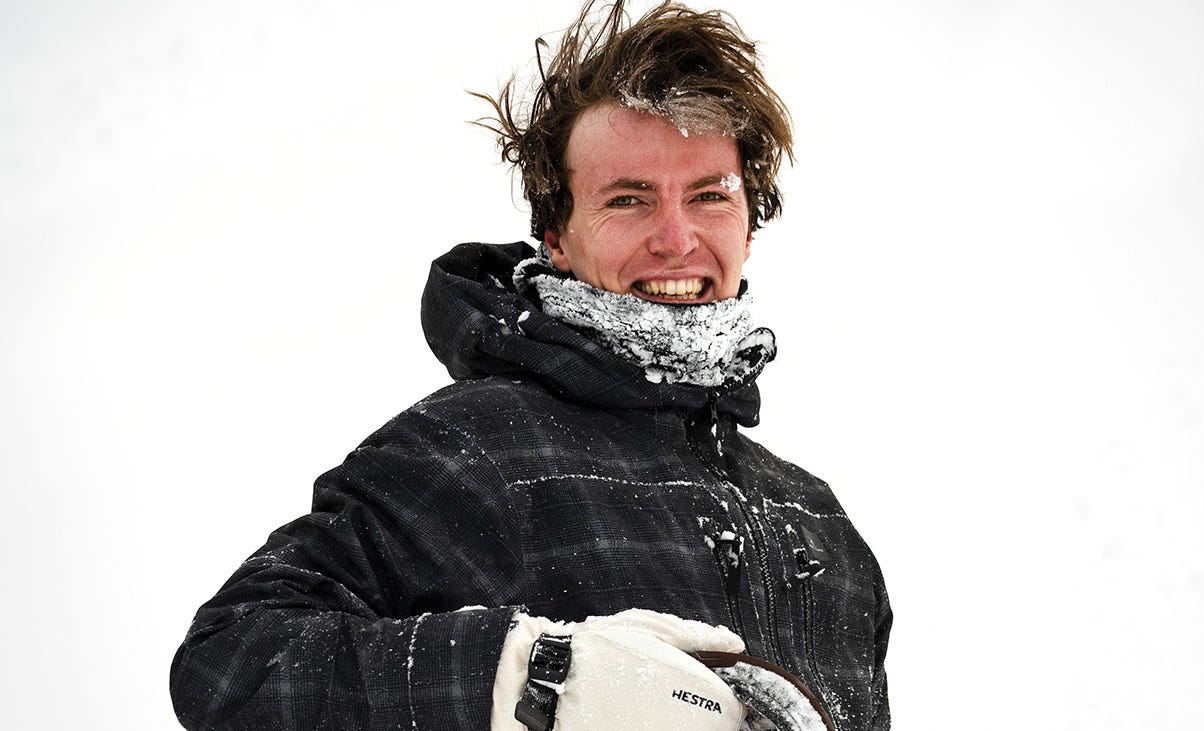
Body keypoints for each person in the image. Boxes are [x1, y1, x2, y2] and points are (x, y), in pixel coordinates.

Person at [170, 1, 891, 729]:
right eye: (628, 200)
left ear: (749, 220)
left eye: (709, 195)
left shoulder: (820, 523)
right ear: (556, 237)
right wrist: (535, 678)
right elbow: (232, 662)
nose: (676, 239)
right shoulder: (475, 450)